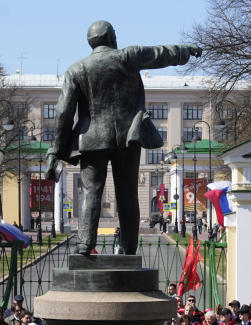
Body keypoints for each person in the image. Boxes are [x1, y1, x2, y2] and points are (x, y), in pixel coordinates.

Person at [44, 20, 202, 255]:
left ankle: (85, 245)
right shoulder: (128, 57)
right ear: (111, 37)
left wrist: (56, 149)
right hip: (127, 138)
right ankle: (128, 247)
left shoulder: (76, 70)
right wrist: (185, 51)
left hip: (91, 140)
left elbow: (63, 113)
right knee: (128, 193)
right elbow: (160, 54)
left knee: (90, 192)